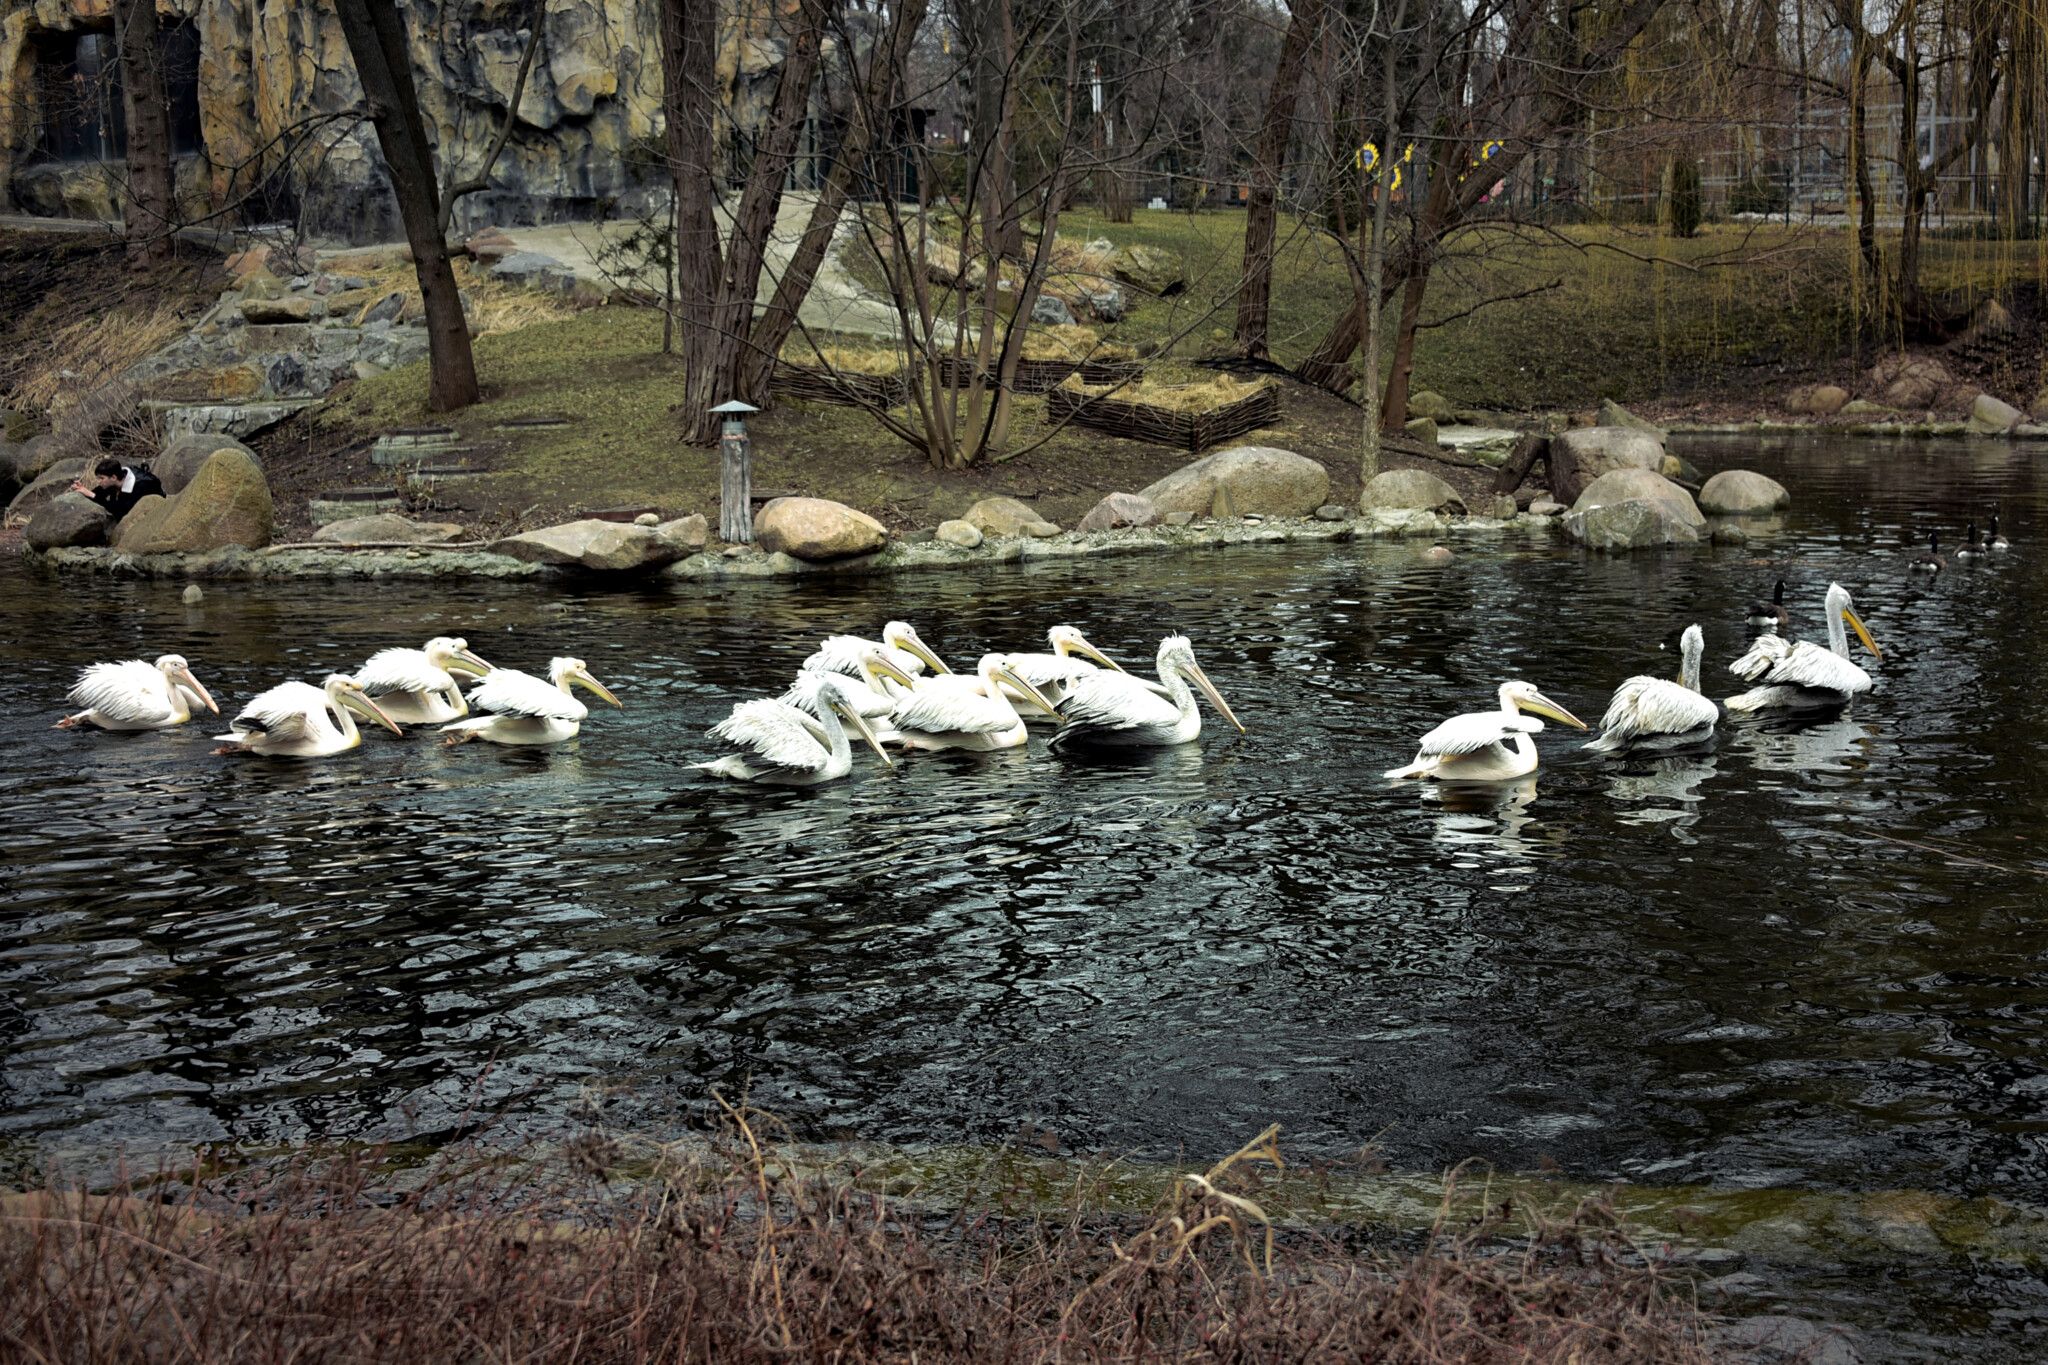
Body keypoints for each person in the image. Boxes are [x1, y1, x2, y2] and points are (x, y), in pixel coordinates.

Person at [70, 458, 164, 521]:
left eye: (101, 478)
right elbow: (100, 492)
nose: (99, 481)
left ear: (113, 477)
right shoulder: (117, 477)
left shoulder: (140, 486)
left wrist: (92, 495)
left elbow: (120, 510)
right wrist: (83, 489)